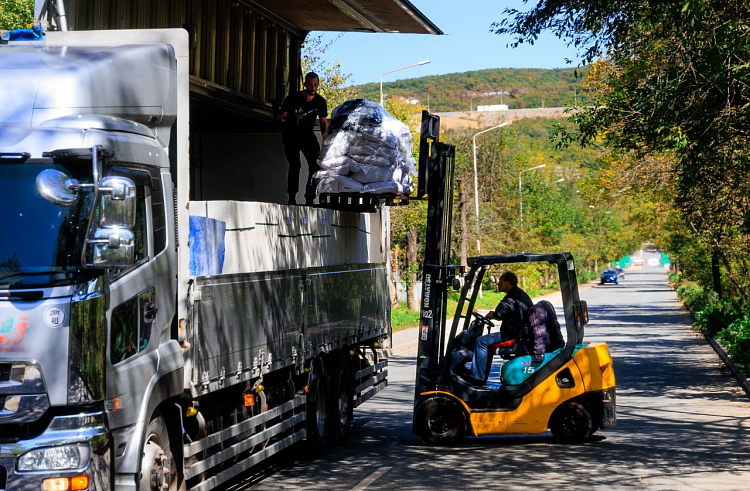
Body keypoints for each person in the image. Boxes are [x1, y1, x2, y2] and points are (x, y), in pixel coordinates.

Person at [469, 272, 533, 383]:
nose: (498, 284)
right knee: (485, 342)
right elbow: (507, 312)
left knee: (480, 342)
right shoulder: (518, 294)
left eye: (500, 281)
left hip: (513, 335)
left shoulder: (512, 297)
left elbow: (500, 312)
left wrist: (492, 314)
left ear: (508, 282)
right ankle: (481, 375)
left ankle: (477, 378)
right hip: (519, 333)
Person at [278, 72, 328, 205]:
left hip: (307, 136)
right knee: (295, 165)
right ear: (305, 84)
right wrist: (280, 116)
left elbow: (323, 122)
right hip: (291, 135)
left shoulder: (320, 101)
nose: (313, 88)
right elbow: (283, 114)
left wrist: (327, 140)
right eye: (310, 85)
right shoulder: (293, 98)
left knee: (315, 165)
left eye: (315, 85)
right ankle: (292, 197)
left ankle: (310, 195)